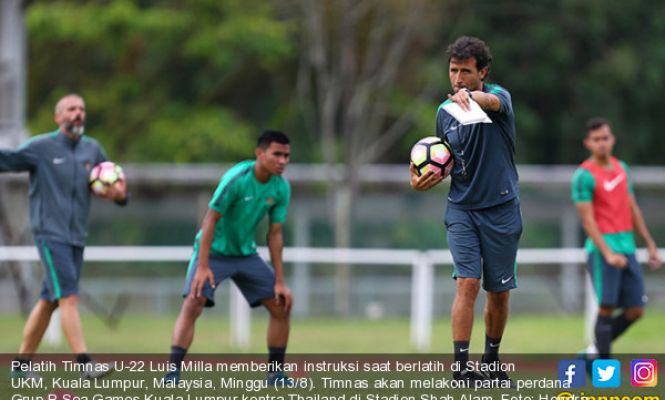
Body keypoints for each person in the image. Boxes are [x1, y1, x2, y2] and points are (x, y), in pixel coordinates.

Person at [410, 36, 521, 385]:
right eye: (453, 70)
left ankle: (490, 359)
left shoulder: (498, 100)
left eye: (466, 72)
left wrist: (472, 97)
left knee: (498, 291)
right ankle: (460, 368)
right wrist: (417, 178)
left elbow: (490, 100)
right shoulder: (444, 113)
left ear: (482, 72)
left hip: (501, 208)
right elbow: (440, 160)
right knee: (467, 283)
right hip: (461, 210)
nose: (457, 78)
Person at [1, 94, 127, 379]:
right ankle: (85, 364)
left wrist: (119, 194)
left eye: (82, 109)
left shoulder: (93, 150)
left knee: (50, 300)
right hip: (49, 234)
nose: (78, 113)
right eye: (71, 109)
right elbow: (6, 160)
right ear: (58, 117)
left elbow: (117, 185)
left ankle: (21, 367)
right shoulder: (42, 148)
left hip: (76, 237)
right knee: (69, 296)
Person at [164, 130, 293, 385]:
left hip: (246, 255)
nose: (283, 161)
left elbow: (275, 234)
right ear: (260, 153)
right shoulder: (237, 179)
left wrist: (280, 281)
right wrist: (202, 266)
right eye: (277, 154)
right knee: (193, 303)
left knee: (282, 306)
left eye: (287, 156)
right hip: (213, 253)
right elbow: (210, 219)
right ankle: (172, 376)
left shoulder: (281, 188)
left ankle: (276, 375)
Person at [572, 117, 661, 360]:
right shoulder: (583, 176)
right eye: (596, 139)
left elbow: (632, 208)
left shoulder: (622, 169)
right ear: (588, 143)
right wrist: (608, 253)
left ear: (612, 139)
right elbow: (588, 221)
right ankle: (605, 375)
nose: (602, 143)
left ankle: (591, 354)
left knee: (636, 310)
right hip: (603, 251)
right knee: (607, 308)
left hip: (627, 247)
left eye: (605, 138)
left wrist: (649, 243)